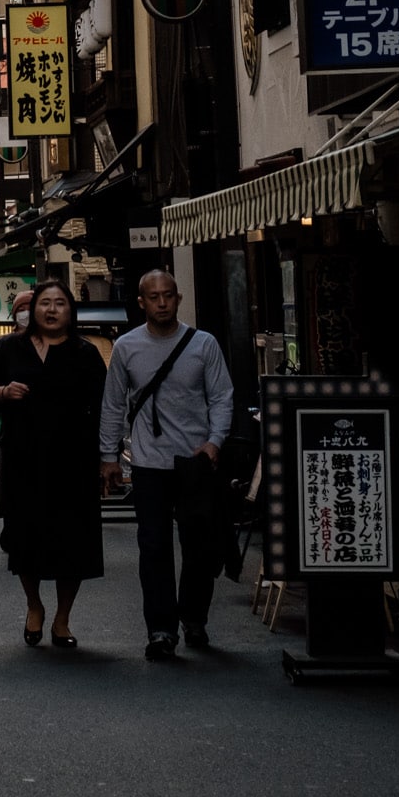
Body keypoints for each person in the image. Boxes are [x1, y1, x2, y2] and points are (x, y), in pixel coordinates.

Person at [100, 269, 235, 660]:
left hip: (196, 460)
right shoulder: (127, 347)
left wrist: (215, 441)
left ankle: (194, 616)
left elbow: (222, 396)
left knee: (199, 545)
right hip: (149, 463)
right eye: (153, 297)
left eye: (168, 296)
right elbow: (113, 405)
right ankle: (160, 628)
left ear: (178, 299)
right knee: (154, 546)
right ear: (141, 302)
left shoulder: (203, 344)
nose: (162, 303)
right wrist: (109, 456)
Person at [0, 280, 107, 647]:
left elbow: (103, 407)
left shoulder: (85, 353)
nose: (50, 310)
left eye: (59, 303)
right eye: (44, 303)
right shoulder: (8, 348)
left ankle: (63, 618)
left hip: (73, 459)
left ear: (70, 311)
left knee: (72, 540)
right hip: (23, 456)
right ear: (33, 311)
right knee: (25, 537)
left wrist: (108, 457)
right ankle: (34, 605)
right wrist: (4, 392)